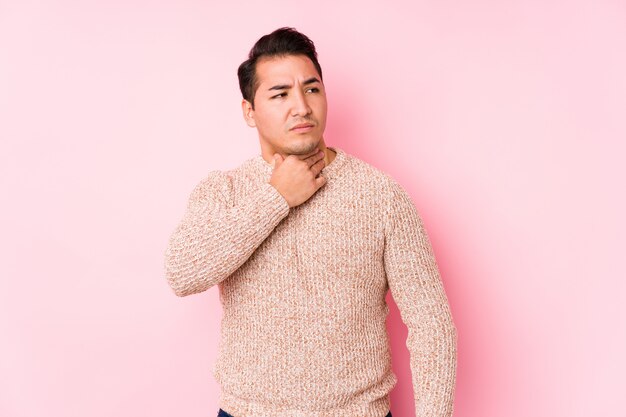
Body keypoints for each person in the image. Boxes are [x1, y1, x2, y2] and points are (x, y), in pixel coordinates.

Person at [164, 27, 457, 417]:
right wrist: (276, 198)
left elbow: (432, 326)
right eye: (280, 94)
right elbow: (182, 273)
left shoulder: (380, 196)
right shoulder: (225, 191)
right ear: (249, 111)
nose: (300, 106)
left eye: (312, 89)